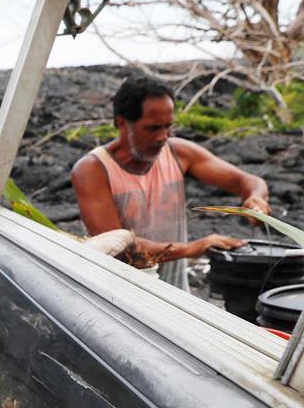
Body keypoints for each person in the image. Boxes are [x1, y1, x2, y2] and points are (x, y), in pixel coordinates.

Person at [71, 74, 271, 290]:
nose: (163, 137)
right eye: (153, 128)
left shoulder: (178, 152)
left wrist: (255, 198)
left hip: (176, 294)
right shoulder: (93, 170)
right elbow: (117, 245)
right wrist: (192, 248)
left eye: (168, 126)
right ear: (122, 123)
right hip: (119, 296)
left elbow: (246, 181)